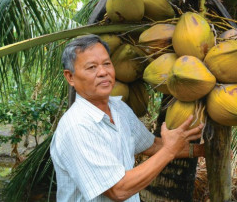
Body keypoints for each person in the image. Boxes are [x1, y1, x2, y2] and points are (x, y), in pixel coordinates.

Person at [50, 34, 204, 202]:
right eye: (92, 67)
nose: (103, 72)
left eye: (107, 64)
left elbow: (151, 145)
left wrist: (201, 151)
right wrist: (169, 151)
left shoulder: (118, 109)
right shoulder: (77, 126)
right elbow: (118, 190)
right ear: (70, 77)